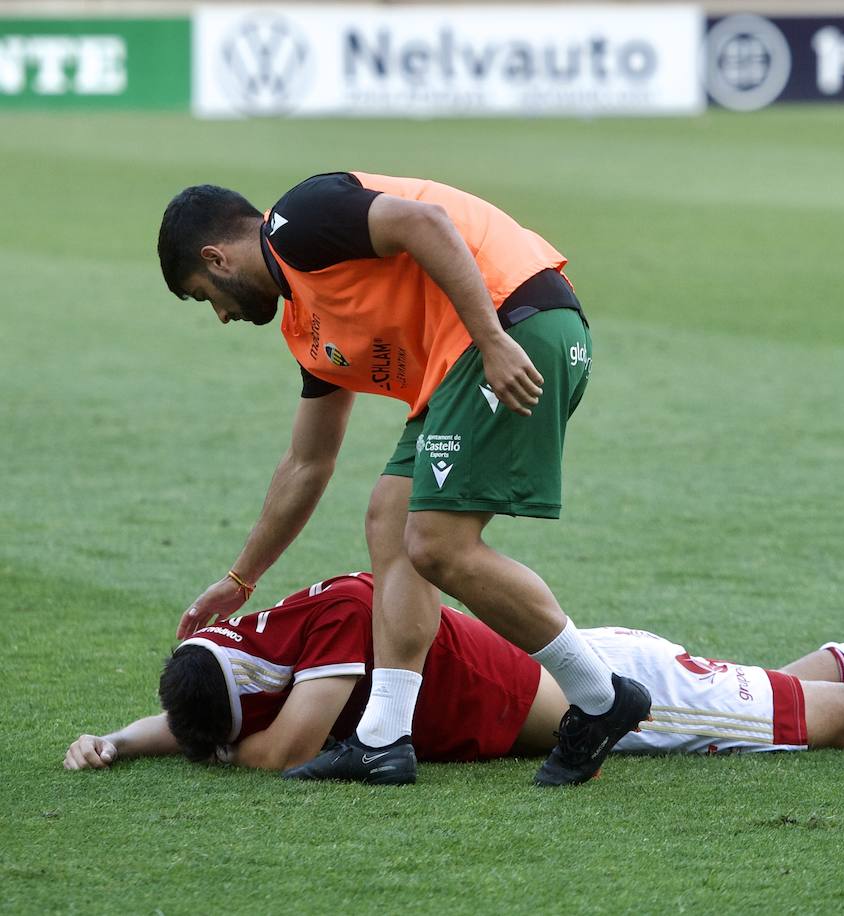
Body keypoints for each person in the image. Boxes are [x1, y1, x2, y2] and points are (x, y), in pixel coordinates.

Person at [156, 173, 649, 787]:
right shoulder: (308, 321)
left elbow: (427, 224)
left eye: (207, 296)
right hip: (467, 359)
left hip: (510, 325)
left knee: (438, 544)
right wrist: (240, 579)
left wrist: (493, 339)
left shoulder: (298, 220)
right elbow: (308, 462)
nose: (223, 315)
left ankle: (601, 698)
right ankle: (383, 740)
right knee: (391, 517)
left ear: (216, 257)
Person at [63, 574, 844, 775]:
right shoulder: (277, 637)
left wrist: (208, 747)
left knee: (833, 725)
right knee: (781, 683)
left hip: (619, 702)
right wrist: (124, 736)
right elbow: (226, 718)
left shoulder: (337, 624)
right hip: (605, 671)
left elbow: (277, 749)